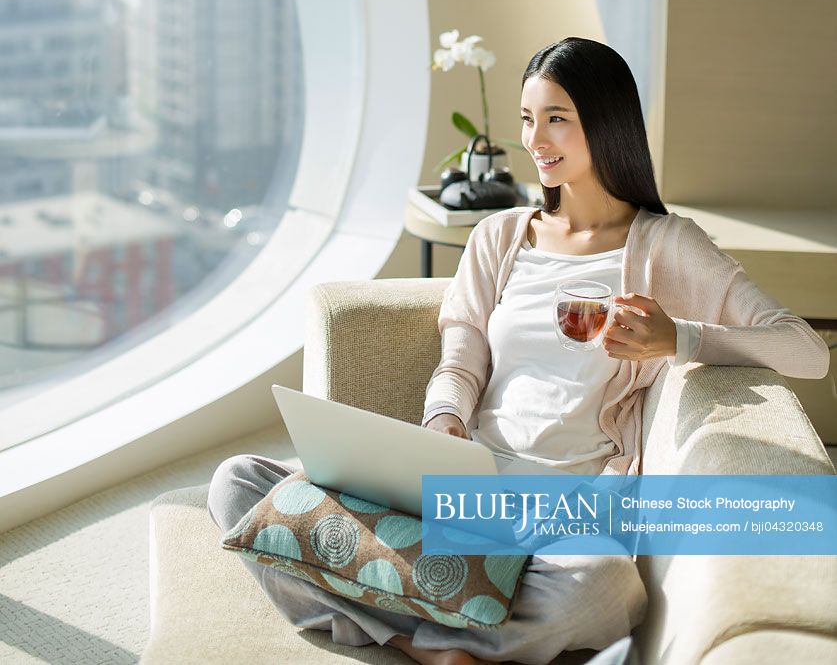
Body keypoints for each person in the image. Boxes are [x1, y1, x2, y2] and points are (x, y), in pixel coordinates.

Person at [208, 37, 829, 665]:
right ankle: (428, 645)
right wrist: (442, 423)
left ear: (607, 123)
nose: (536, 139)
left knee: (606, 589)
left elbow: (805, 351)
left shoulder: (665, 245)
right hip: (459, 491)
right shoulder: (499, 235)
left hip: (562, 521)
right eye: (528, 118)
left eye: (557, 118)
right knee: (239, 485)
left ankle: (418, 628)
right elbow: (461, 357)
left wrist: (679, 339)